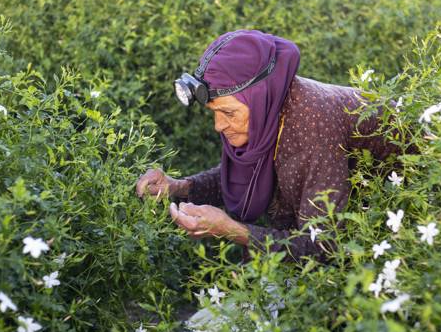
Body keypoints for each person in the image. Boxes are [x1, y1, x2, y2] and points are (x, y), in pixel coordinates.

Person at [136, 29, 405, 262]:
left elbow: (324, 246)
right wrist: (177, 186)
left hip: (403, 211)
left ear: (260, 99)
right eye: (213, 112)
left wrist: (232, 229)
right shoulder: (271, 110)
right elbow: (247, 174)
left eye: (228, 113)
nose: (219, 125)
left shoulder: (312, 124)